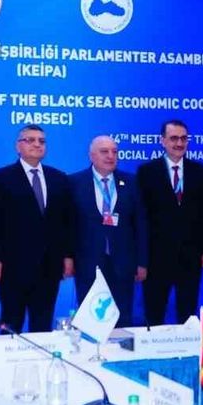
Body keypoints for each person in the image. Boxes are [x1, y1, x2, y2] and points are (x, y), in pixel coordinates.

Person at [0, 124, 74, 332]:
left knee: (43, 325)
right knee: (11, 324)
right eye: (30, 140)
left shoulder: (59, 178)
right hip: (12, 267)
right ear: (18, 146)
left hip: (49, 267)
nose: (37, 144)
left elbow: (67, 222)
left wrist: (68, 256)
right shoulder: (1, 177)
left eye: (41, 141)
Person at [135, 119, 203, 326]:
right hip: (156, 258)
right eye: (174, 138)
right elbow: (141, 217)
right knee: (154, 313)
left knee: (188, 315)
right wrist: (141, 258)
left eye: (183, 138)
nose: (179, 143)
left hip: (190, 257)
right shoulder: (146, 172)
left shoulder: (200, 171)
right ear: (162, 141)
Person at [70, 136, 147, 326]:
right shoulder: (74, 182)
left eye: (114, 151)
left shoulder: (132, 182)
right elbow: (67, 225)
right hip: (87, 264)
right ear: (91, 156)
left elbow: (141, 224)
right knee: (91, 320)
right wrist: (68, 258)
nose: (111, 156)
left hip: (123, 264)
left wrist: (142, 262)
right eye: (104, 151)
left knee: (123, 318)